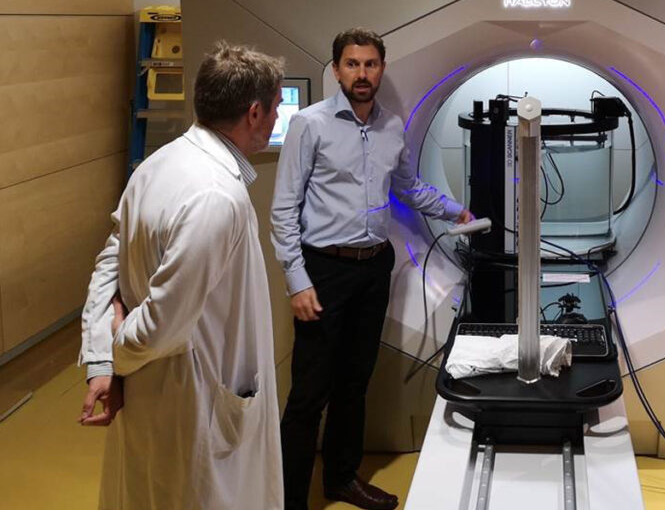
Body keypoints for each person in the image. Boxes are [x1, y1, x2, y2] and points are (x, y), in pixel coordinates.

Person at [78, 42, 287, 509]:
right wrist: (114, 351)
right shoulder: (215, 196)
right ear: (254, 112)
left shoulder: (158, 164)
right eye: (275, 108)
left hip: (164, 390)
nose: (277, 119)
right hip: (193, 402)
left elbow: (108, 265)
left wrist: (102, 361)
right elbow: (161, 325)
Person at [272, 27, 471, 510]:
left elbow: (407, 187)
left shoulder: (391, 126)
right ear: (337, 70)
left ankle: (341, 477)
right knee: (309, 393)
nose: (362, 74)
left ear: (381, 68)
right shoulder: (310, 125)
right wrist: (297, 281)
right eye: (352, 64)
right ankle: (288, 499)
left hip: (373, 267)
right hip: (324, 270)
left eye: (370, 64)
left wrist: (455, 211)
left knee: (355, 381)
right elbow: (283, 209)